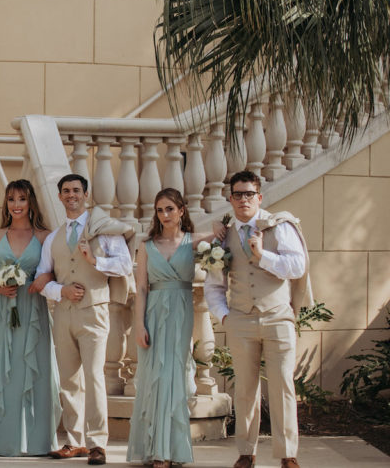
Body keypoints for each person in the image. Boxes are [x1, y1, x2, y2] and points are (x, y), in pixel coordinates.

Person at [205, 170, 312, 468]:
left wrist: (263, 255)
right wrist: (224, 317)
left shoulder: (278, 226)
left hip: (278, 318)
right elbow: (214, 285)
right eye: (238, 194)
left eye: (249, 194)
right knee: (245, 389)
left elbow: (297, 266)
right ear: (230, 199)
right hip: (240, 320)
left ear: (259, 197)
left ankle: (287, 454)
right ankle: (245, 451)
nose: (243, 200)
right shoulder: (222, 238)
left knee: (282, 388)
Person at [32, 173, 133, 466]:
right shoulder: (54, 237)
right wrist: (60, 290)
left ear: (86, 195)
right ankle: (74, 441)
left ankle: (98, 442)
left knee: (94, 376)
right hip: (63, 314)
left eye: (76, 190)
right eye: (66, 191)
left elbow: (125, 264)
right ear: (60, 197)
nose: (71, 195)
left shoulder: (104, 230)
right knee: (68, 380)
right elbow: (41, 277)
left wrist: (94, 262)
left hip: (95, 311)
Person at [0, 179, 61, 456]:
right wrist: (0, 287)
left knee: (32, 370)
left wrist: (43, 277)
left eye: (21, 199)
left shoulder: (46, 237)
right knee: (2, 371)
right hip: (2, 310)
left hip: (32, 310)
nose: (16, 205)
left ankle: (34, 441)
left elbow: (55, 271)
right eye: (11, 199)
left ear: (30, 201)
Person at [127, 188, 212, 468]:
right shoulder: (146, 244)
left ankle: (174, 448)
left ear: (181, 211)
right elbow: (140, 288)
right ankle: (157, 450)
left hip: (181, 313)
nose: (164, 215)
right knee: (155, 379)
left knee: (174, 376)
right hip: (153, 312)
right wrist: (139, 325)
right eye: (160, 210)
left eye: (170, 209)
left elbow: (224, 235)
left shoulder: (196, 241)